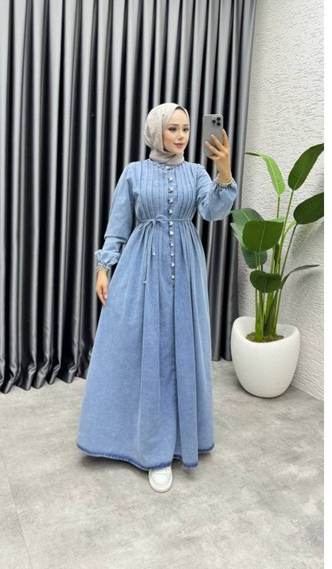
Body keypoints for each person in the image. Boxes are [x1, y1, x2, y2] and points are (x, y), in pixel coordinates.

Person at [77, 103, 237, 493]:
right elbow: (118, 224)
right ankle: (151, 448)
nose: (181, 136)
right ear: (156, 132)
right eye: (172, 129)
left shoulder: (197, 173)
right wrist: (103, 267)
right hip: (140, 270)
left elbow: (212, 211)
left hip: (185, 269)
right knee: (144, 351)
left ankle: (181, 437)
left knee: (179, 349)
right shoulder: (134, 172)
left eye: (186, 129)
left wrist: (224, 172)